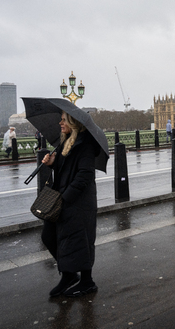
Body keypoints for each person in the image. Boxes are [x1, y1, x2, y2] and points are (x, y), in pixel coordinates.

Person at [41, 111, 99, 297]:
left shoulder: (86, 145)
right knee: (49, 235)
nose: (60, 122)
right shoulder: (64, 143)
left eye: (64, 120)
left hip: (79, 201)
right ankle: (69, 274)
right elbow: (64, 169)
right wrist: (51, 163)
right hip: (64, 199)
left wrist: (65, 198)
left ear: (74, 123)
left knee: (80, 240)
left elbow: (84, 176)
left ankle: (87, 281)